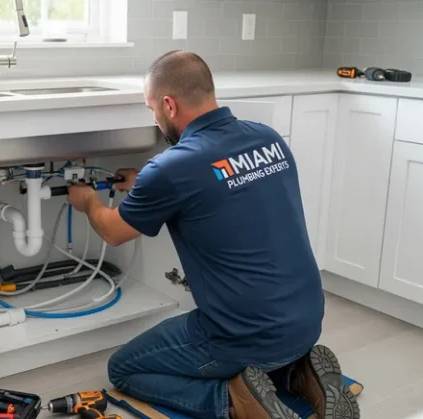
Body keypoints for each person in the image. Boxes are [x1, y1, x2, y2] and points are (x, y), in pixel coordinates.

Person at [66, 50, 360, 419]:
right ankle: (301, 375)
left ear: (169, 105)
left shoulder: (171, 169)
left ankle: (234, 402)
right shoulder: (268, 139)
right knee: (268, 347)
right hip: (307, 319)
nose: (154, 118)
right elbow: (216, 185)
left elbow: (113, 232)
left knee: (124, 369)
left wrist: (88, 200)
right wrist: (145, 184)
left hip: (241, 336)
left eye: (151, 109)